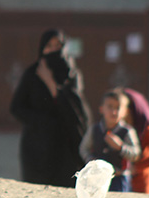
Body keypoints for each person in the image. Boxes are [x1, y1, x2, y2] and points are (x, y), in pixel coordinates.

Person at [9, 29, 89, 188]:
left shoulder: (71, 74)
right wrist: (43, 122)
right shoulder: (32, 74)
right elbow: (16, 108)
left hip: (66, 145)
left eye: (57, 46)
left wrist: (52, 86)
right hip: (38, 144)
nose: (53, 50)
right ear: (42, 48)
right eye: (49, 46)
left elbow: (77, 110)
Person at [80, 89, 141, 192]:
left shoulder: (127, 131)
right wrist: (91, 161)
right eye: (110, 107)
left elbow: (136, 153)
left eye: (118, 108)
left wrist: (121, 147)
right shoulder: (94, 129)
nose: (114, 112)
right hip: (97, 178)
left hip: (119, 178)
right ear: (101, 109)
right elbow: (83, 148)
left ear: (125, 112)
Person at [119, 87, 149, 194]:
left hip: (140, 184)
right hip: (120, 183)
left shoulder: (145, 129)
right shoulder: (117, 128)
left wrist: (136, 167)